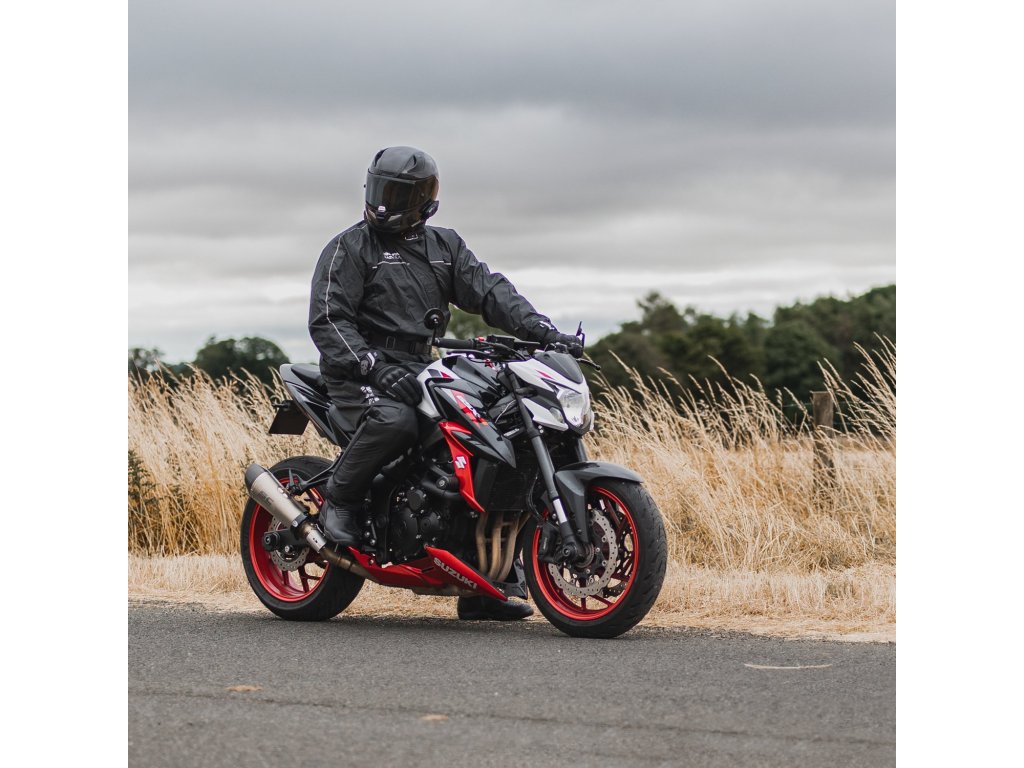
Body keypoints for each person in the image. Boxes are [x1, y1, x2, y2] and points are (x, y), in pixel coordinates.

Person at [308, 146, 582, 621]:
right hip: (357, 372)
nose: (385, 203)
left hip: (418, 365)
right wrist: (372, 365)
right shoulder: (349, 247)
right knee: (396, 420)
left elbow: (491, 291)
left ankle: (485, 584)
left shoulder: (444, 247)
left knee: (496, 438)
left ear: (425, 201)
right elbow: (329, 319)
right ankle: (340, 498)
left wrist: (543, 331)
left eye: (398, 195)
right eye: (380, 190)